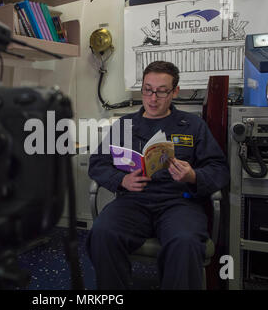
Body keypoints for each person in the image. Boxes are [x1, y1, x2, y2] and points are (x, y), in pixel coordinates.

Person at [87, 61, 229, 289]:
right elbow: (97, 163)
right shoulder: (125, 124)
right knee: (102, 234)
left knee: (185, 242)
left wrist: (192, 176)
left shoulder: (193, 125)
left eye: (162, 91)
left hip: (179, 203)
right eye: (147, 90)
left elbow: (219, 169)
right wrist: (121, 180)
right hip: (133, 201)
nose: (153, 98)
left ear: (175, 92)